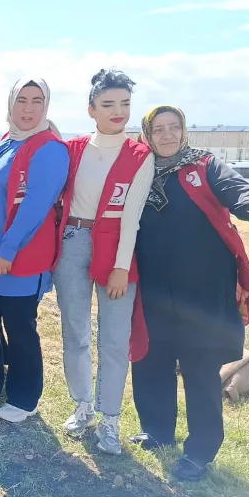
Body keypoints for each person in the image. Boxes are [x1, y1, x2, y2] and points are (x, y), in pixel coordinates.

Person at [129, 105, 249, 481]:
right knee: (151, 361)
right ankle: (157, 431)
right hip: (153, 287)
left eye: (174, 127)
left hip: (202, 290)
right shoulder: (138, 171)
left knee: (199, 369)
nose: (167, 135)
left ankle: (200, 450)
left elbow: (239, 190)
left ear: (184, 130)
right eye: (158, 129)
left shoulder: (204, 165)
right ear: (147, 134)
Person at [53, 70, 154, 454]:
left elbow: (132, 218)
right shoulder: (74, 148)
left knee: (113, 340)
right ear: (91, 109)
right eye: (108, 104)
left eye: (125, 103)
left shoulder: (140, 155)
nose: (118, 111)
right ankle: (83, 407)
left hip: (117, 249)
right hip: (73, 242)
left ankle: (109, 419)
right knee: (74, 331)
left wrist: (122, 267)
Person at [0, 78, 69, 423]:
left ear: (46, 106)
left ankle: (24, 397)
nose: (28, 109)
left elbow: (35, 206)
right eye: (22, 100)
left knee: (20, 329)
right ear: (11, 103)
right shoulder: (8, 141)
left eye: (37, 101)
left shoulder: (50, 149)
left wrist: (7, 250)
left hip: (17, 257)